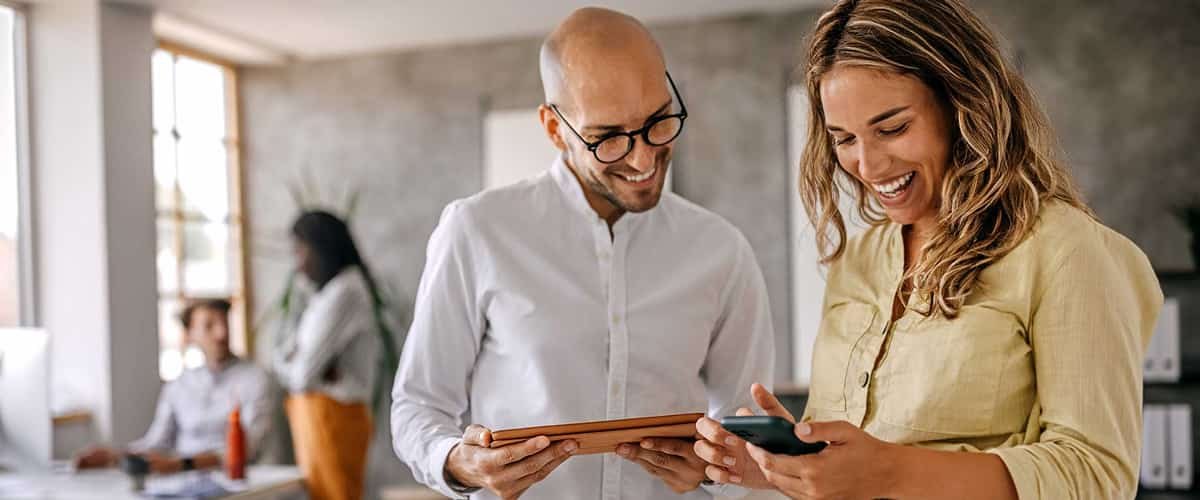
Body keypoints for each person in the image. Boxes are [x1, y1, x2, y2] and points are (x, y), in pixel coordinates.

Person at [693, 0, 1163, 499]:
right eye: (843, 139)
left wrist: (891, 472)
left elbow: (1096, 475)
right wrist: (775, 465)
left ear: (963, 103)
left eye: (892, 128)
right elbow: (846, 465)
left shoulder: (1067, 251)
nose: (868, 166)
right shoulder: (859, 259)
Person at [391, 7, 775, 500]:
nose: (642, 159)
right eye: (608, 138)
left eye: (659, 122)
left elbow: (750, 421)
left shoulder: (722, 250)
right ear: (555, 129)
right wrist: (460, 464)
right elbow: (417, 406)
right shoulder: (477, 231)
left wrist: (716, 470)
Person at [74, 298, 272, 474]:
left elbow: (248, 448)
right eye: (209, 326)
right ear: (190, 334)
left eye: (224, 323)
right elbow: (157, 443)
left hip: (234, 478)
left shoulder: (255, 379)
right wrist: (115, 456)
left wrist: (182, 463)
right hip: (181, 479)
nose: (221, 333)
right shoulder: (179, 385)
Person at [273, 210, 390, 500]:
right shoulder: (325, 295)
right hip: (323, 416)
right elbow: (294, 359)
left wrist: (291, 362)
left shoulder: (344, 292)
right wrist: (300, 362)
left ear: (321, 247)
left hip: (333, 417)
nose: (298, 263)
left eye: (301, 250)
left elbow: (300, 375)